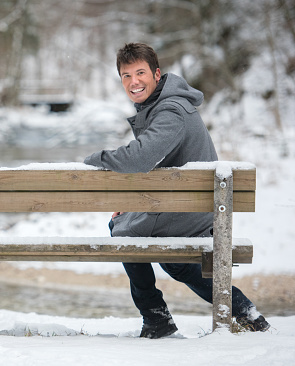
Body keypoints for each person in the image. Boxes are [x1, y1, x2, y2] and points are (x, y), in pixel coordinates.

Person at [83, 42, 270, 339]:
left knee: (123, 230)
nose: (133, 82)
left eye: (140, 73)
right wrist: (130, 203)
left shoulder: (170, 110)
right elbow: (158, 167)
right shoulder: (166, 104)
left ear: (157, 74)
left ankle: (155, 317)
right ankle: (245, 312)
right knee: (176, 262)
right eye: (126, 75)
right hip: (195, 205)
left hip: (191, 210)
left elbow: (141, 158)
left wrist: (96, 159)